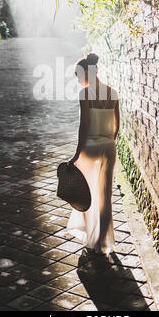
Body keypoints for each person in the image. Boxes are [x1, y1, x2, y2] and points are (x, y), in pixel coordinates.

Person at [66, 52, 120, 255]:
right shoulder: (113, 92)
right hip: (109, 147)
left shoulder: (85, 95)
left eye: (77, 74)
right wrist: (107, 143)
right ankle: (103, 244)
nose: (77, 79)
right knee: (106, 196)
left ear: (85, 73)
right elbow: (117, 127)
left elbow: (84, 126)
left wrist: (77, 154)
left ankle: (92, 240)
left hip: (90, 147)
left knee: (87, 195)